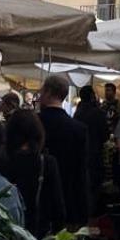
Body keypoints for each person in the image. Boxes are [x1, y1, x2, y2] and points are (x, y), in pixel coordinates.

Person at [0, 109, 65, 238]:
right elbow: (58, 208)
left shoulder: (1, 161)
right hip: (37, 236)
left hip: (7, 234)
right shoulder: (47, 162)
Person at [37, 77, 89, 229]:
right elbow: (81, 172)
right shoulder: (79, 129)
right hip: (69, 200)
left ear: (47, 92)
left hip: (38, 200)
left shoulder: (33, 123)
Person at [74, 83, 110, 211]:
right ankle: (92, 213)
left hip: (79, 154)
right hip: (95, 154)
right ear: (92, 96)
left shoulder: (77, 113)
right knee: (94, 186)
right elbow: (105, 135)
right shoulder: (98, 113)